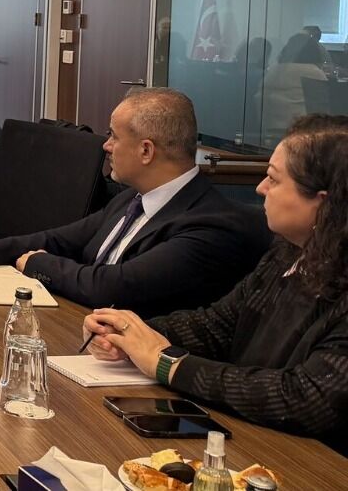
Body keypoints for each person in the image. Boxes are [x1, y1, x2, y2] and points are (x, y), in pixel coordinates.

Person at [82, 114, 348, 455]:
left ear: (323, 203)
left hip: (312, 465)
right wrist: (127, 333)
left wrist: (169, 364)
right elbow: (219, 326)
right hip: (251, 442)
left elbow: (302, 397)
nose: (260, 189)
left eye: (273, 179)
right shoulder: (287, 254)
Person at [0, 88, 269, 316]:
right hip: (80, 326)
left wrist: (37, 264)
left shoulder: (209, 224)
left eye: (114, 136)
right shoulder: (131, 198)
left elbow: (112, 287)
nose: (106, 146)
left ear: (146, 150)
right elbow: (58, 239)